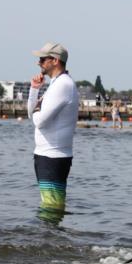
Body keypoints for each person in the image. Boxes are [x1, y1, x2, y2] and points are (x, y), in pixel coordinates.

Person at [27, 42, 80, 218]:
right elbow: (31, 114)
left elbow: (39, 121)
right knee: (49, 205)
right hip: (46, 154)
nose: (39, 63)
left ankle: (53, 243)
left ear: (55, 60)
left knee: (51, 208)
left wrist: (36, 111)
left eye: (43, 59)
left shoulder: (63, 85)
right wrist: (34, 90)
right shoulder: (55, 84)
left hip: (53, 156)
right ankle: (51, 243)